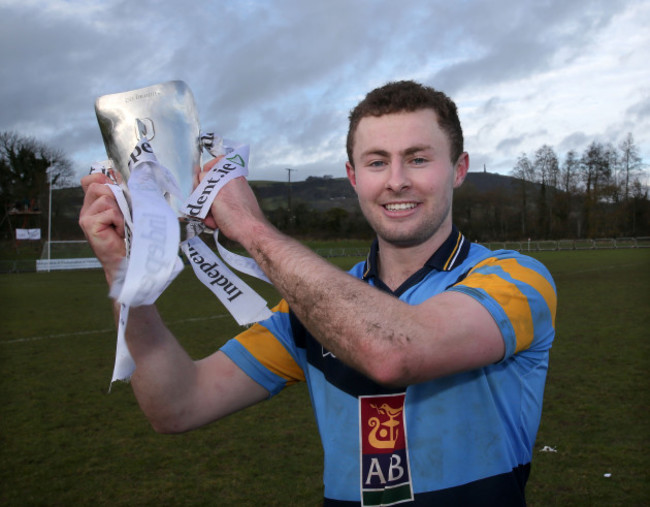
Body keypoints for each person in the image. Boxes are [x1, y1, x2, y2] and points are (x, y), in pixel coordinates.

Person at [80, 80, 556, 506]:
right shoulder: (307, 310)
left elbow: (394, 352)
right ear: (353, 177)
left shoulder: (517, 279)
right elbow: (178, 405)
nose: (396, 181)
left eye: (418, 158)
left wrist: (249, 227)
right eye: (376, 162)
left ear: (458, 169)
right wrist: (125, 274)